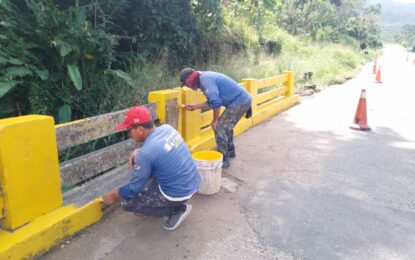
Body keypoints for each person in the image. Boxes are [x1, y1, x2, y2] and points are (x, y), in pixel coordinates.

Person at [102, 106, 201, 231]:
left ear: (139, 129)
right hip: (194, 181)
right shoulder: (167, 128)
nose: (129, 134)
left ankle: (176, 210)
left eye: (128, 131)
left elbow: (133, 189)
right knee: (147, 179)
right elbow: (158, 151)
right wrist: (139, 151)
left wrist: (113, 196)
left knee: (127, 202)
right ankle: (173, 204)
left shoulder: (147, 154)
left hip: (178, 194)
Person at [179, 68, 252, 168]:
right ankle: (230, 151)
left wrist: (215, 120)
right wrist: (195, 106)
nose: (188, 87)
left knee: (219, 127)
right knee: (226, 126)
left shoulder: (205, 80)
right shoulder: (202, 78)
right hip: (242, 99)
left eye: (187, 84)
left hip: (240, 101)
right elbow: (212, 101)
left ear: (189, 79)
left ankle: (223, 159)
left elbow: (216, 102)